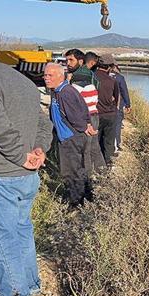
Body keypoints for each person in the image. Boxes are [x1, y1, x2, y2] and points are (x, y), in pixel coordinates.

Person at [0, 43, 53, 296]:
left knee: (0, 238)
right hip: (27, 175)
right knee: (22, 231)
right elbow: (44, 123)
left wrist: (20, 156)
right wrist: (39, 150)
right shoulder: (23, 81)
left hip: (0, 174)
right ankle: (31, 287)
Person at [43, 63, 94, 206]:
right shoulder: (58, 91)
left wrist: (84, 126)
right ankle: (87, 196)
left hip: (71, 139)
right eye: (45, 75)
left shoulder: (66, 92)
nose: (46, 78)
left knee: (71, 172)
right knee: (78, 169)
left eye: (50, 75)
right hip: (69, 137)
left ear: (60, 76)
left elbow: (77, 115)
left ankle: (75, 203)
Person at [65, 48, 105, 174]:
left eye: (71, 60)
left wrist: (67, 82)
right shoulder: (90, 74)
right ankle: (102, 172)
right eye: (67, 60)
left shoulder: (77, 77)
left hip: (85, 117)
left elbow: (72, 102)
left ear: (81, 61)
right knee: (94, 146)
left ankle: (87, 179)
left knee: (85, 149)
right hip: (94, 114)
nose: (68, 63)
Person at [94, 55, 120, 164]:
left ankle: (96, 165)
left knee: (95, 141)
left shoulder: (92, 78)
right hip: (110, 115)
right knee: (108, 141)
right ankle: (107, 163)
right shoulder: (112, 80)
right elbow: (117, 99)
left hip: (95, 115)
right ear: (109, 67)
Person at [110, 64, 131, 152]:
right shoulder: (119, 78)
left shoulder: (101, 76)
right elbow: (124, 91)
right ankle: (117, 144)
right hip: (118, 105)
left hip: (105, 106)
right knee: (117, 124)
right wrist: (128, 104)